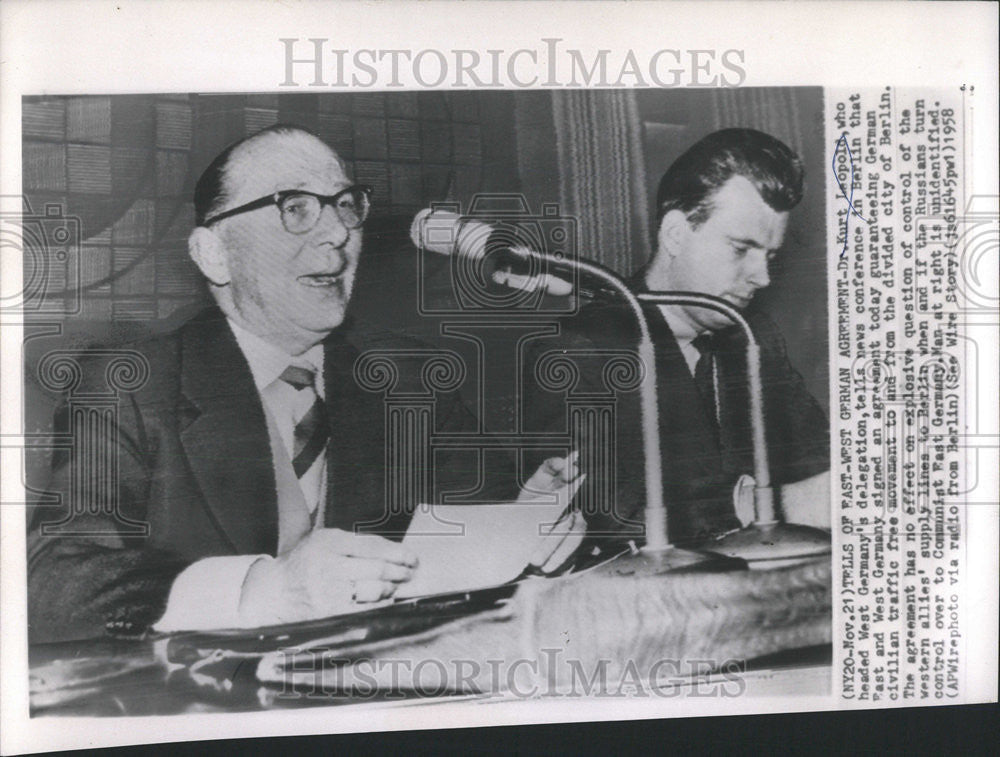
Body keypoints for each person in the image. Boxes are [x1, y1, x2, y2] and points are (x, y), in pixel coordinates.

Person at [27, 125, 574, 644]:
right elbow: (50, 580)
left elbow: (473, 541)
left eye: (345, 205)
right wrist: (259, 591)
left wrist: (521, 525)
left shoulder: (411, 380)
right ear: (214, 254)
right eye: (295, 208)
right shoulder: (129, 384)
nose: (338, 232)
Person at [524, 128, 830, 548]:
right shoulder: (579, 351)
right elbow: (608, 522)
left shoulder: (754, 338)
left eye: (770, 256)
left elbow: (820, 461)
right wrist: (770, 506)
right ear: (674, 234)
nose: (762, 277)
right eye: (742, 249)